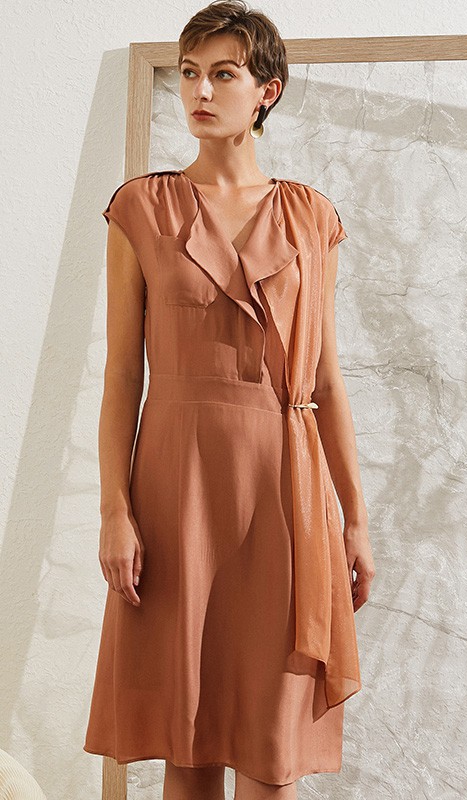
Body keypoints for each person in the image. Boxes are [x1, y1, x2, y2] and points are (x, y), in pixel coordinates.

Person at [83, 2, 376, 798]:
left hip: (283, 494)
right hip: (177, 490)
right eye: (189, 74)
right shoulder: (142, 209)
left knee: (271, 747)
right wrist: (114, 510)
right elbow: (122, 376)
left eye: (222, 74)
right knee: (189, 742)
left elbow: (325, 381)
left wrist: (355, 519)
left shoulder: (312, 219)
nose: (199, 92)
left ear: (266, 91)